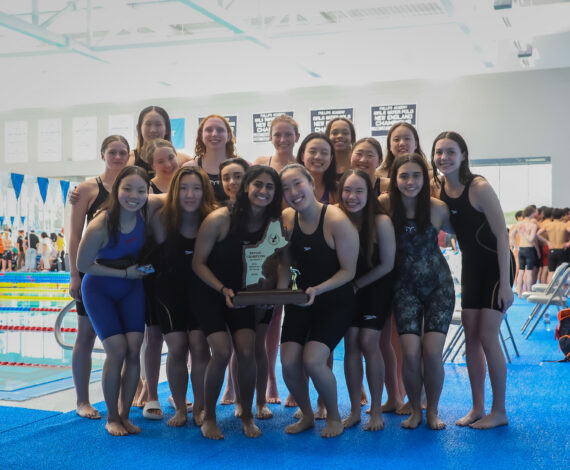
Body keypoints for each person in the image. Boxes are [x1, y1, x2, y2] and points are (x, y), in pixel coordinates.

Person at [192, 165, 284, 439]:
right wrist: (221, 289)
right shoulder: (221, 218)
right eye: (258, 185)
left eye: (270, 187)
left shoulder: (273, 224)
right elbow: (198, 264)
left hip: (241, 297)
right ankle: (209, 417)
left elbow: (281, 263)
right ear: (246, 187)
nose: (263, 191)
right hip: (210, 292)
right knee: (221, 351)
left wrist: (275, 296)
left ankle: (246, 414)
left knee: (247, 350)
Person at [432, 131, 514, 429]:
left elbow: (502, 236)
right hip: (471, 267)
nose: (444, 157)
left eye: (451, 151)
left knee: (487, 335)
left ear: (463, 154)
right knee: (470, 337)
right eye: (439, 152)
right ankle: (478, 407)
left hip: (496, 266)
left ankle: (500, 410)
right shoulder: (438, 188)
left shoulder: (478, 187)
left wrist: (505, 284)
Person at [278, 163, 358, 438]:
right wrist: (280, 292)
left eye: (297, 183)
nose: (293, 192)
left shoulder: (335, 219)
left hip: (334, 301)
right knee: (288, 363)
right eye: (286, 188)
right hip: (301, 301)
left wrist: (317, 290)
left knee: (313, 361)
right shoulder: (287, 218)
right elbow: (286, 260)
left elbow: (349, 271)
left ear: (311, 183)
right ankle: (308, 415)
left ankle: (334, 416)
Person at [379, 153, 455, 430]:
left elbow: (471, 234)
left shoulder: (438, 208)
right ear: (394, 179)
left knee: (432, 352)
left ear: (425, 178)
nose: (410, 181)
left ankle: (432, 410)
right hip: (404, 287)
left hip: (438, 286)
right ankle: (414, 409)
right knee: (410, 353)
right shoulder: (384, 205)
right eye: (404, 176)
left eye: (416, 175)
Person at [77, 165, 152, 436]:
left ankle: (124, 414)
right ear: (116, 189)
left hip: (131, 286)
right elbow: (83, 264)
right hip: (100, 288)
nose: (134, 195)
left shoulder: (147, 210)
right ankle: (111, 417)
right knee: (117, 350)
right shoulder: (101, 224)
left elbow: (174, 194)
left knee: (134, 349)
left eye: (141, 190)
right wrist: (123, 273)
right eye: (127, 189)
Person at [147, 166, 216, 427]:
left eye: (196, 188)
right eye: (184, 188)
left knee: (200, 347)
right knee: (176, 349)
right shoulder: (161, 218)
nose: (190, 194)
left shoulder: (212, 218)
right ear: (174, 191)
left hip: (202, 292)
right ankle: (180, 407)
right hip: (168, 292)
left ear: (205, 191)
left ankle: (200, 407)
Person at [68, 135, 131, 419]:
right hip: (92, 273)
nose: (118, 157)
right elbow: (74, 236)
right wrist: (74, 275)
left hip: (124, 277)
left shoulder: (134, 188)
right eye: (112, 152)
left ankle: (116, 400)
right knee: (86, 337)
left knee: (118, 341)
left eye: (123, 152)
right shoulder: (87, 189)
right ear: (103, 154)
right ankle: (82, 400)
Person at [338, 170, 396, 431]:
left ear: (370, 193)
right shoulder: (337, 218)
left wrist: (357, 284)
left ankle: (375, 409)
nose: (352, 197)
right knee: (350, 342)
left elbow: (387, 264)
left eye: (359, 191)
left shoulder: (380, 221)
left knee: (368, 341)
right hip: (349, 288)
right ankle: (354, 409)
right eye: (347, 191)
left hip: (375, 287)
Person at [253, 114, 300, 406]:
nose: (282, 140)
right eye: (277, 135)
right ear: (271, 137)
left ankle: (295, 385)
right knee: (270, 318)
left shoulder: (303, 165)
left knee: (294, 317)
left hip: (297, 245)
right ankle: (270, 379)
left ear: (297, 136)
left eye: (288, 134)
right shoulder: (261, 162)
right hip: (269, 246)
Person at [184, 114, 237, 202]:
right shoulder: (189, 168)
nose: (214, 134)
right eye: (209, 130)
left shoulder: (244, 167)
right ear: (201, 136)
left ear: (228, 136)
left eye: (220, 130)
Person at [129, 106, 191, 176]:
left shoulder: (183, 161)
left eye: (158, 124)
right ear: (139, 128)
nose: (153, 130)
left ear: (167, 129)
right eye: (148, 124)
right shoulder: (129, 160)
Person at [296, 133, 338, 204]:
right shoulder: (290, 188)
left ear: (330, 158)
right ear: (302, 156)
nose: (318, 157)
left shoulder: (338, 190)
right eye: (312, 152)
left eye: (324, 153)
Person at [509, 206, 540, 296]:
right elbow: (531, 239)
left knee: (521, 271)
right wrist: (525, 233)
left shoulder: (519, 224)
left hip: (521, 249)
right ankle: (529, 291)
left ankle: (519, 292)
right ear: (532, 213)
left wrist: (516, 246)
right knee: (529, 271)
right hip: (529, 249)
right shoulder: (533, 225)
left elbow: (511, 235)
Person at [537, 208, 570, 282]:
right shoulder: (564, 225)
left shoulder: (548, 225)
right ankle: (562, 290)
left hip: (552, 250)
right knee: (563, 272)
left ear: (552, 216)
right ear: (561, 216)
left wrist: (547, 242)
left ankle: (550, 291)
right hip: (562, 250)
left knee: (551, 272)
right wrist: (568, 244)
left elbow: (538, 234)